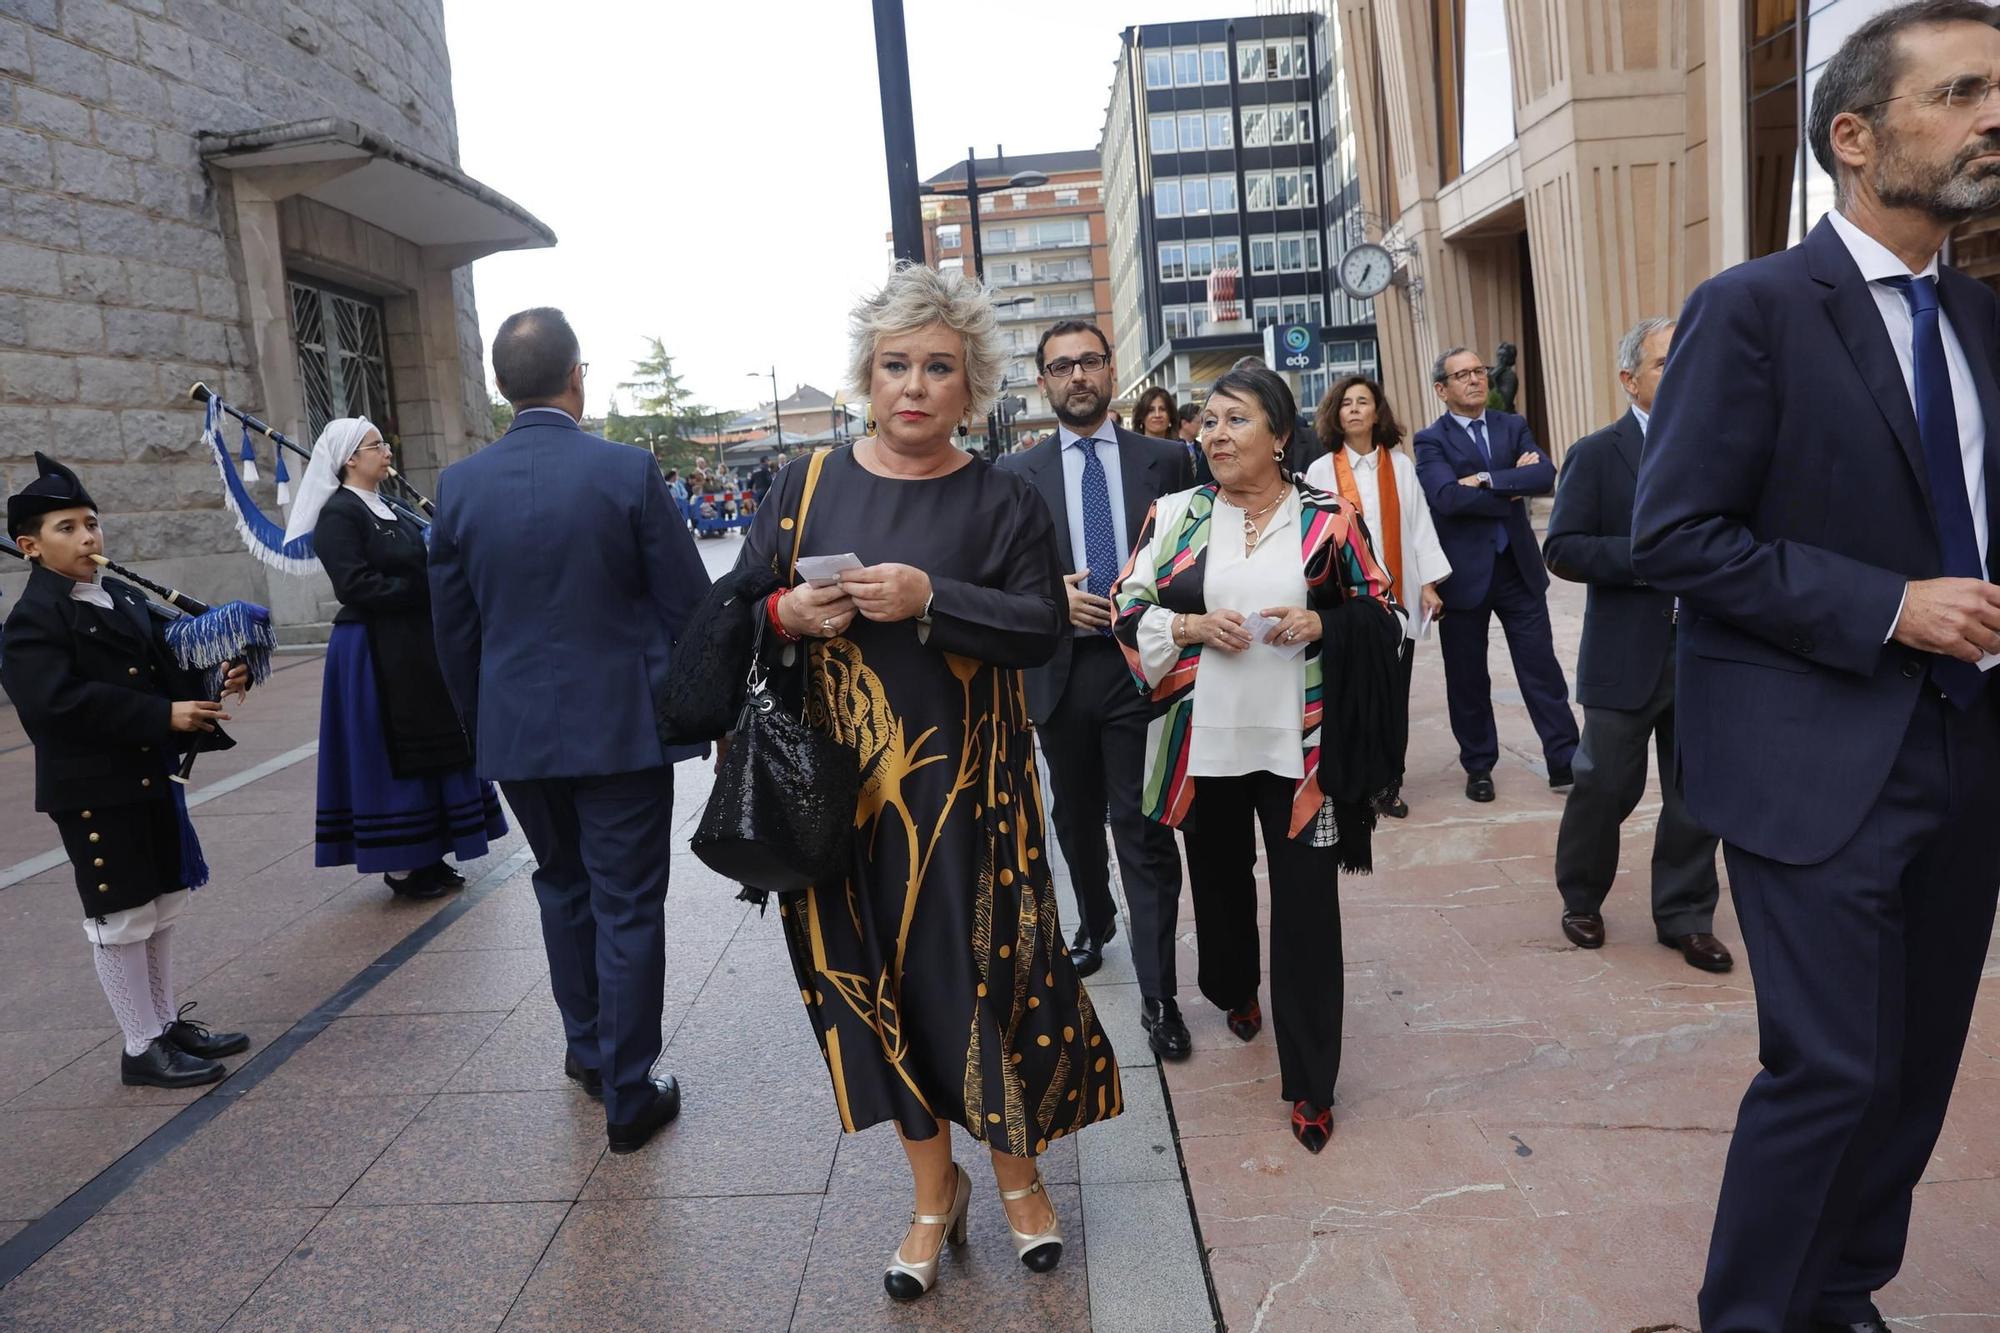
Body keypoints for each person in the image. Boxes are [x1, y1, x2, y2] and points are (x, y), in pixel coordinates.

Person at [1632, 5, 2000, 1327]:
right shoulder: (1754, 309)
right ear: (1853, 137)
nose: (1993, 116)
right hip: (1811, 761)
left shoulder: (1980, 318)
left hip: (1968, 754)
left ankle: (1841, 1290)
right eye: (1962, 92)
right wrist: (1886, 606)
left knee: (1911, 1073)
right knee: (1830, 1071)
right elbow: (1673, 536)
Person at [740, 265, 1119, 1302]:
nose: (913, 385)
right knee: (872, 988)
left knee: (976, 979)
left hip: (968, 798)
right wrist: (784, 615)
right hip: (836, 800)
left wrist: (926, 598)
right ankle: (928, 1189)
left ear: (972, 385)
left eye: (938, 368)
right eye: (894, 363)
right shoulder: (803, 484)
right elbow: (730, 612)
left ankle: (1019, 1182)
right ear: (866, 372)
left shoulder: (1000, 497)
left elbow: (1040, 624)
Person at [429, 307, 712, 1156]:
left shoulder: (460, 486)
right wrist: (711, 713)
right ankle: (628, 1092)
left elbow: (453, 629)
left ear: (501, 387)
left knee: (561, 886)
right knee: (627, 902)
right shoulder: (625, 471)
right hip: (622, 728)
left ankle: (588, 1051)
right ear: (577, 376)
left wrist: (485, 727)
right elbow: (688, 605)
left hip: (517, 733)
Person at [1114, 365, 1403, 1154]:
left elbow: (1383, 607)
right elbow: (1126, 603)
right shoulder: (1174, 514)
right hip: (1201, 745)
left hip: (1302, 752)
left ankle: (1311, 1081)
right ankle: (1235, 987)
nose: (1213, 434)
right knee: (1220, 888)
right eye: (1207, 421)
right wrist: (1187, 628)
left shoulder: (1330, 519)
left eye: (1235, 419)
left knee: (1308, 908)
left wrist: (1323, 625)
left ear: (1279, 436)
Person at [1, 454, 251, 1089]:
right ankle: (140, 1045)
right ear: (30, 546)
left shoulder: (117, 597)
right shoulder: (32, 621)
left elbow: (160, 670)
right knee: (121, 917)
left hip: (148, 774)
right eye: (67, 527)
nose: (88, 537)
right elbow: (57, 706)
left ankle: (165, 1023)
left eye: (92, 522)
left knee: (163, 905)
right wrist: (162, 714)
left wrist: (216, 675)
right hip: (94, 789)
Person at [998, 321, 1194, 1059]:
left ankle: (1159, 995)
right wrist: (1050, 593)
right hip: (1058, 672)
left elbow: (1195, 555)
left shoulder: (1170, 460)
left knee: (1141, 829)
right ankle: (1095, 918)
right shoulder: (1016, 475)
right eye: (1060, 366)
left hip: (1142, 670)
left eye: (1088, 361)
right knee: (1074, 821)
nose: (1076, 375)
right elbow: (996, 573)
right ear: (1042, 381)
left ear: (1112, 371)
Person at [1544, 319, 1729, 975]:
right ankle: (1582, 898)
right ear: (1630, 379)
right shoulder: (1597, 454)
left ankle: (1684, 917)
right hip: (1625, 654)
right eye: (1662, 362)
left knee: (1696, 791)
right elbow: (1562, 548)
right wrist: (1647, 559)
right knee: (1603, 785)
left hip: (1706, 650)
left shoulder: (1722, 447)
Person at [285, 419, 505, 902]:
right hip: (373, 649)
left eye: (384, 442)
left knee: (434, 743)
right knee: (391, 750)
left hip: (415, 645)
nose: (386, 451)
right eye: (375, 445)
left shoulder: (394, 508)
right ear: (349, 459)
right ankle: (404, 863)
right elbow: (354, 585)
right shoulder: (339, 514)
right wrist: (424, 589)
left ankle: (433, 850)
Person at [1413, 347, 1579, 802]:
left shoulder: (1512, 425)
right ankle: (1479, 766)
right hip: (1463, 577)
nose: (1475, 380)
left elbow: (1545, 475)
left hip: (1518, 570)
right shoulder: (1431, 440)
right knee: (1468, 678)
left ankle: (1564, 759)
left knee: (1541, 668)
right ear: (1441, 389)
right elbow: (1445, 497)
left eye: (1479, 371)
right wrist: (1510, 483)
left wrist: (1485, 480)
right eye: (1461, 374)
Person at [1305, 375, 1450, 818]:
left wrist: (1428, 584)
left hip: (1395, 600)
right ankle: (1349, 780)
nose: (1353, 409)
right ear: (1335, 413)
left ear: (1376, 411)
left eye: (1362, 401)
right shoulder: (1320, 470)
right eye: (1345, 402)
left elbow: (1419, 526)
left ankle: (1389, 782)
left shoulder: (1400, 466)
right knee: (1348, 695)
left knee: (1392, 694)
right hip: (1344, 607)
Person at [1177, 401, 1214, 485]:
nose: (1201, 426)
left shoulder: (1202, 447)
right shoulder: (1172, 447)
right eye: (1198, 422)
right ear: (1184, 423)